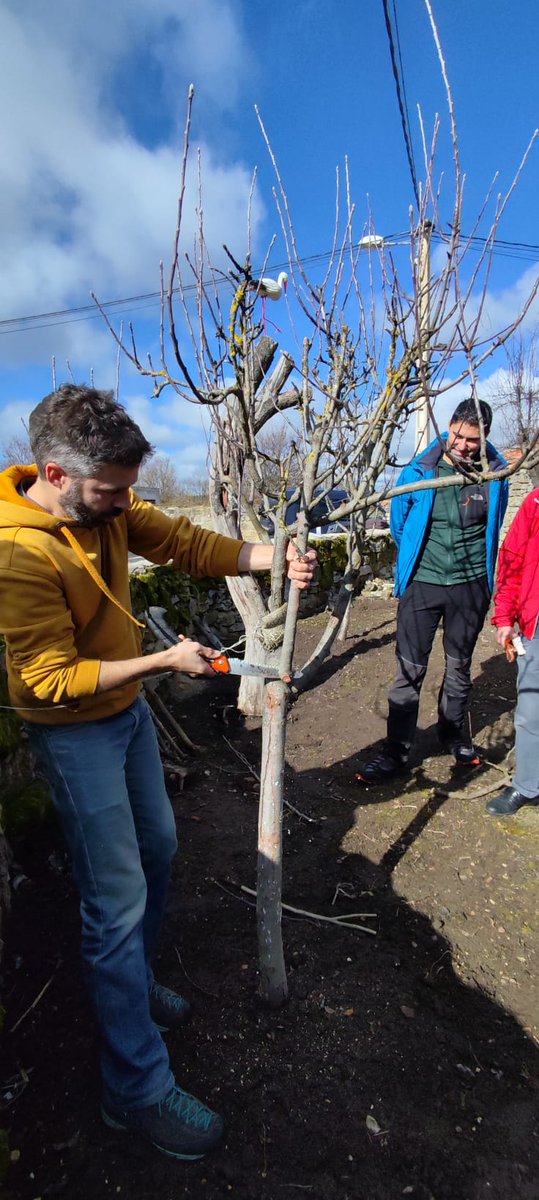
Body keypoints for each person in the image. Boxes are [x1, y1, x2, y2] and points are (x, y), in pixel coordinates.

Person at [0, 384, 316, 1161]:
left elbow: (183, 543)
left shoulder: (104, 504)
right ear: (56, 474)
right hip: (74, 735)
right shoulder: (18, 553)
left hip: (125, 713)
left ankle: (133, 987)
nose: (124, 505)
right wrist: (163, 662)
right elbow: (48, 679)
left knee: (160, 848)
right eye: (112, 492)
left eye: (127, 490)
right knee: (114, 904)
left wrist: (269, 556)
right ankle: (133, 1088)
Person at [357, 398, 508, 783]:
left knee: (459, 666)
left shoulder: (497, 474)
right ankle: (396, 750)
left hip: (471, 587)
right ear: (449, 427)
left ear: (485, 436)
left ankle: (453, 734)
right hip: (422, 585)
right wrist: (417, 562)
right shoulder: (420, 469)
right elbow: (400, 523)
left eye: (472, 440)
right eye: (457, 435)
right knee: (409, 669)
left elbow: (493, 525)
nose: (463, 445)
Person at [486, 488, 539, 816]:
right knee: (532, 712)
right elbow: (512, 559)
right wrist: (505, 616)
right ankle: (528, 785)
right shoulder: (536, 502)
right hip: (537, 625)